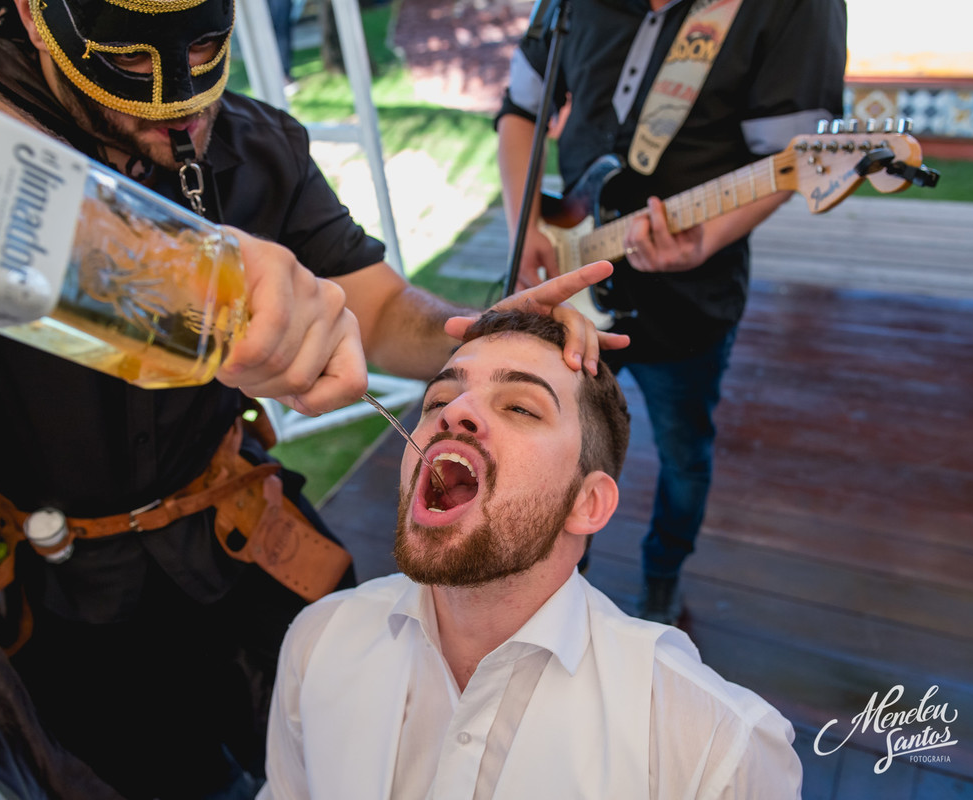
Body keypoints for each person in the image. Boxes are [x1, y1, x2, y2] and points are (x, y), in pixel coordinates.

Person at [0, 1, 626, 798]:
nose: (176, 109)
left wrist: (478, 334)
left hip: (231, 537)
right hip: (68, 590)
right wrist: (163, 259)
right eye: (128, 62)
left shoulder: (258, 148)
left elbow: (377, 309)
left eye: (200, 53)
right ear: (32, 19)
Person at [259, 309, 803, 798]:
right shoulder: (317, 642)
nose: (455, 413)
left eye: (520, 406)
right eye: (439, 401)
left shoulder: (714, 751)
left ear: (587, 503)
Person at [495, 0, 847, 624]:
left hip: (689, 300)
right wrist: (523, 223)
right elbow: (522, 110)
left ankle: (662, 579)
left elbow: (790, 158)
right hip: (570, 277)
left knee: (685, 456)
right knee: (551, 451)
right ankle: (558, 589)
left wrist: (706, 239)